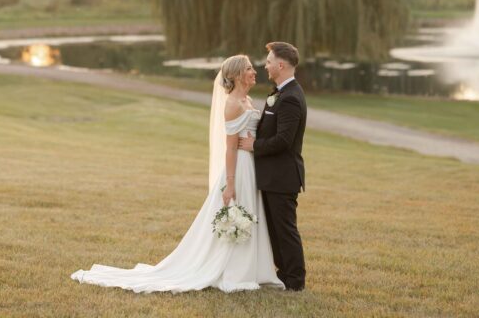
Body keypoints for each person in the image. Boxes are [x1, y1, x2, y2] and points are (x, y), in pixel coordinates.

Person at [70, 54, 284, 293]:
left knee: (251, 212)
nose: (254, 71)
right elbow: (231, 148)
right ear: (236, 75)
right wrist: (230, 183)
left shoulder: (247, 100)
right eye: (249, 68)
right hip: (240, 167)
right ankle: (235, 270)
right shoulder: (233, 104)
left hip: (251, 164)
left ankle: (252, 268)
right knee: (238, 210)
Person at [239, 41, 307, 291]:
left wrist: (254, 145)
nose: (265, 66)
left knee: (285, 230)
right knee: (275, 230)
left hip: (282, 176)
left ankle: (295, 279)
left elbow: (284, 140)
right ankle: (284, 273)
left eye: (268, 62)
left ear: (280, 65)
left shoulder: (290, 98)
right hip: (272, 175)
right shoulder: (279, 92)